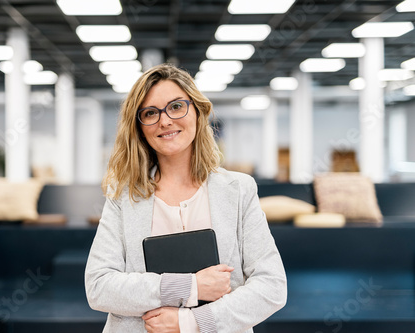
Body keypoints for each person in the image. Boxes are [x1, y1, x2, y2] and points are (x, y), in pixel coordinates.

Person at [85, 63, 287, 333]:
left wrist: (190, 322)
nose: (165, 120)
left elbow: (271, 286)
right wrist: (189, 286)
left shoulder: (239, 189)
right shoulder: (124, 196)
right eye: (150, 113)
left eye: (176, 106)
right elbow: (99, 287)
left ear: (197, 110)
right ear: (139, 127)